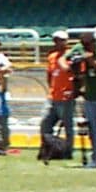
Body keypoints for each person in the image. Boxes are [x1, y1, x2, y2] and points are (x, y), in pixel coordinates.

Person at [61, 29, 96, 170]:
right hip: (90, 95)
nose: (86, 46)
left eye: (88, 43)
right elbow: (64, 59)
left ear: (94, 41)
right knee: (92, 129)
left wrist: (91, 61)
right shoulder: (80, 47)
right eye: (83, 43)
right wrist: (70, 67)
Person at [40, 30, 74, 158]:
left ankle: (68, 151)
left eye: (61, 40)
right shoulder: (52, 56)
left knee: (67, 126)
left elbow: (76, 75)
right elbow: (50, 74)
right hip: (53, 96)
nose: (58, 42)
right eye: (56, 40)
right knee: (45, 123)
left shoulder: (70, 55)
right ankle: (48, 149)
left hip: (66, 97)